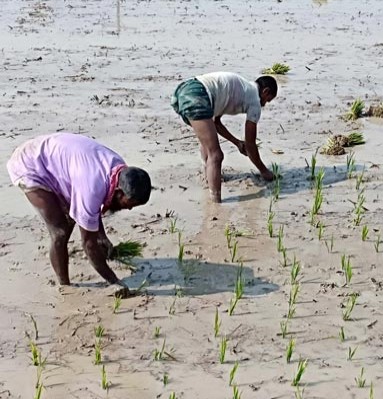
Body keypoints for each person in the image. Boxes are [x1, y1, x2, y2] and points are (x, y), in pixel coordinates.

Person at [7, 133, 152, 295]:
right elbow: (88, 244)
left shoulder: (119, 169)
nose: (130, 209)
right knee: (60, 230)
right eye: (129, 204)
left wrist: (101, 236)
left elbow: (97, 201)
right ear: (119, 192)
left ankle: (64, 274)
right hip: (29, 165)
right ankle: (65, 286)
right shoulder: (91, 188)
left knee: (74, 218)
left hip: (56, 160)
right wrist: (114, 281)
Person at [171, 72, 278, 202]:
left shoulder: (242, 88)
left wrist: (237, 143)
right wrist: (264, 171)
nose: (264, 105)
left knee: (207, 143)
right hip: (198, 95)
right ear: (265, 91)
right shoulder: (255, 101)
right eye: (267, 100)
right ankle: (215, 202)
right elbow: (250, 144)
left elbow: (216, 123)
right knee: (216, 155)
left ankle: (209, 177)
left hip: (184, 90)